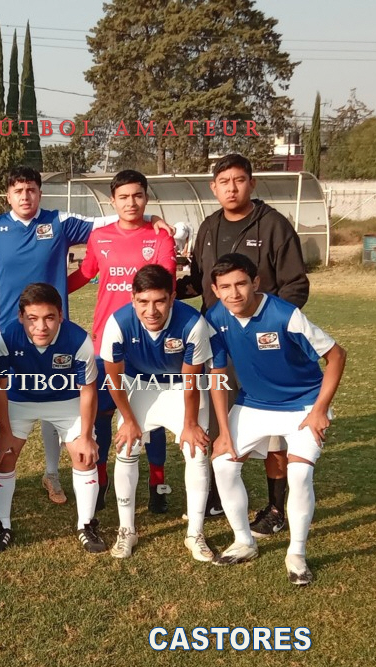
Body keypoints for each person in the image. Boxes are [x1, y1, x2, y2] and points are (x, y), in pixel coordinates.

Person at [0, 166, 169, 505]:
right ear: (8, 195)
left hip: (53, 331)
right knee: (6, 400)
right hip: (9, 334)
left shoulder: (59, 222)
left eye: (31, 189)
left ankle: (51, 473)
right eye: (18, 191)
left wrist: (151, 217)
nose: (25, 196)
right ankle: (0, 470)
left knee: (55, 397)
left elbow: (110, 219)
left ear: (39, 192)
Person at [178, 153, 310, 531]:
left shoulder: (274, 225)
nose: (231, 188)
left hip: (264, 346)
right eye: (224, 182)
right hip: (218, 343)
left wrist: (269, 324)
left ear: (251, 183)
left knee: (273, 430)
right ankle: (218, 496)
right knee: (217, 418)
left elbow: (296, 285)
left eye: (239, 180)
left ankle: (275, 509)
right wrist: (165, 291)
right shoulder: (209, 227)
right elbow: (200, 281)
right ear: (213, 188)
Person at [206, 254, 345, 585]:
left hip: (303, 405)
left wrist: (319, 410)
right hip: (254, 403)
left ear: (255, 283)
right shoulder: (215, 317)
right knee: (223, 464)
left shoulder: (285, 315)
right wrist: (223, 430)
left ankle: (296, 554)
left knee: (299, 474)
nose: (234, 293)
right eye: (225, 286)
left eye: (241, 283)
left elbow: (337, 355)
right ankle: (244, 541)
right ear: (215, 289)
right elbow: (217, 374)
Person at [67, 169, 177, 517]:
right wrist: (51, 292)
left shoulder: (160, 237)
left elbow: (168, 285)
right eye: (124, 197)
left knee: (150, 417)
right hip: (105, 342)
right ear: (113, 201)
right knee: (101, 414)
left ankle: (157, 484)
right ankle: (100, 482)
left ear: (146, 198)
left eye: (138, 196)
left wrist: (156, 223)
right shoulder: (100, 237)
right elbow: (85, 273)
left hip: (147, 344)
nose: (131, 203)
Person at [100, 264, 224, 561]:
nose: (151, 310)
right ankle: (127, 529)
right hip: (140, 385)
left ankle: (195, 533)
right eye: (143, 301)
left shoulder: (192, 323)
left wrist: (190, 423)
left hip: (181, 387)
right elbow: (114, 379)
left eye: (159, 301)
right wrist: (129, 421)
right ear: (133, 299)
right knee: (126, 446)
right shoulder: (118, 322)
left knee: (196, 451)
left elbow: (192, 381)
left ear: (172, 298)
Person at [0, 283, 104, 553]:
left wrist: (86, 436)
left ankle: (86, 524)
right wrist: (4, 430)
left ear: (60, 316)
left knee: (85, 455)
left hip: (65, 401)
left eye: (49, 317)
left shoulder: (78, 340)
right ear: (21, 317)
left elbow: (88, 390)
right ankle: (1, 523)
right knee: (4, 455)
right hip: (20, 400)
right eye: (32, 318)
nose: (41, 327)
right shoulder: (3, 338)